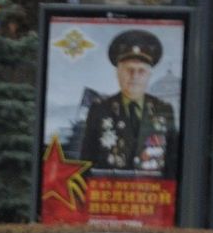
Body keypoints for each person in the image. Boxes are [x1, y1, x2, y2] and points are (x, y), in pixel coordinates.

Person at [72, 29, 177, 176]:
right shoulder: (100, 109)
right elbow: (86, 162)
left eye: (141, 71)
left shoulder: (163, 109)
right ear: (118, 73)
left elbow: (173, 163)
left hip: (152, 194)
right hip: (109, 193)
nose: (134, 76)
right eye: (129, 70)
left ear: (149, 75)